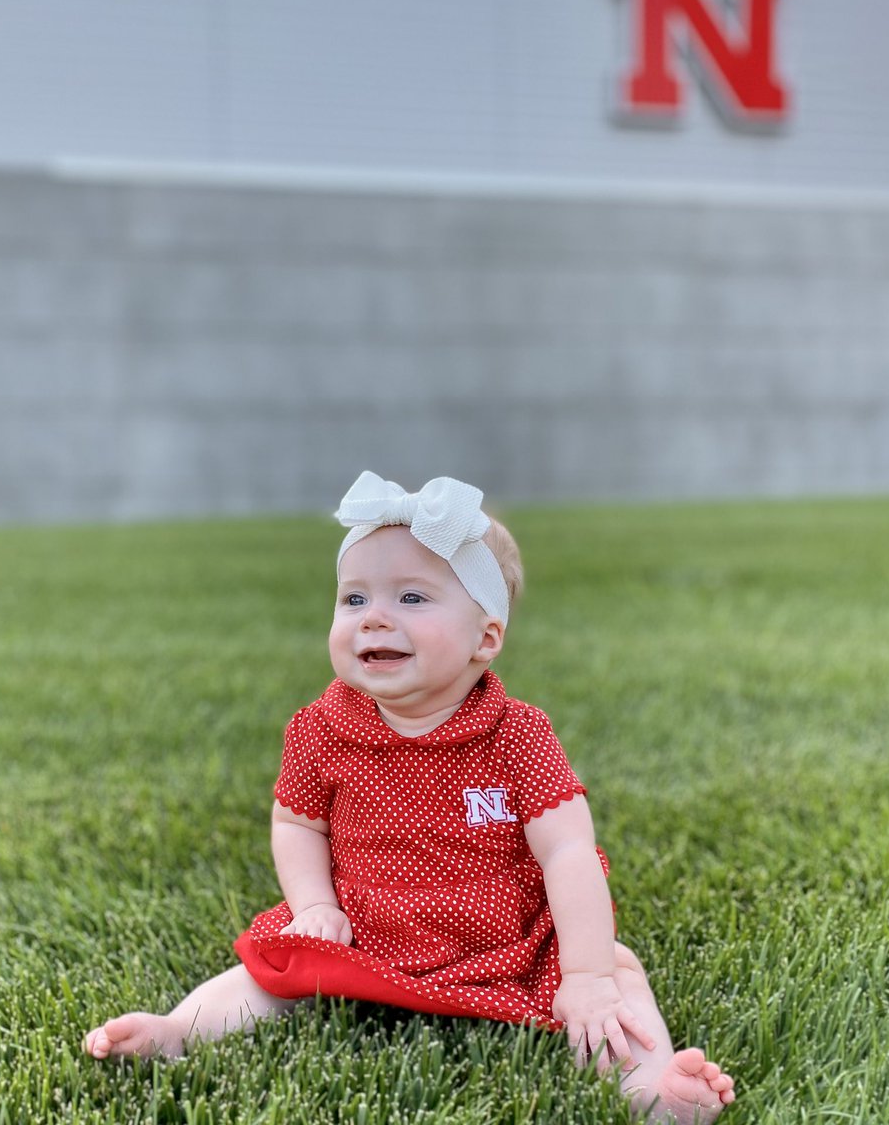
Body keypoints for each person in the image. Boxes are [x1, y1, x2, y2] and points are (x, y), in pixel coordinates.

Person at [85, 472, 735, 1123]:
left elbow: (568, 849)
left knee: (616, 974)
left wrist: (585, 977)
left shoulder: (518, 733)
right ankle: (177, 1032)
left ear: (486, 637)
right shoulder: (319, 728)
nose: (374, 616)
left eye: (413, 597)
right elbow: (297, 823)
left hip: (503, 935)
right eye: (354, 598)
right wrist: (315, 904)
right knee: (270, 967)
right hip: (371, 925)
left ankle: (655, 1091)